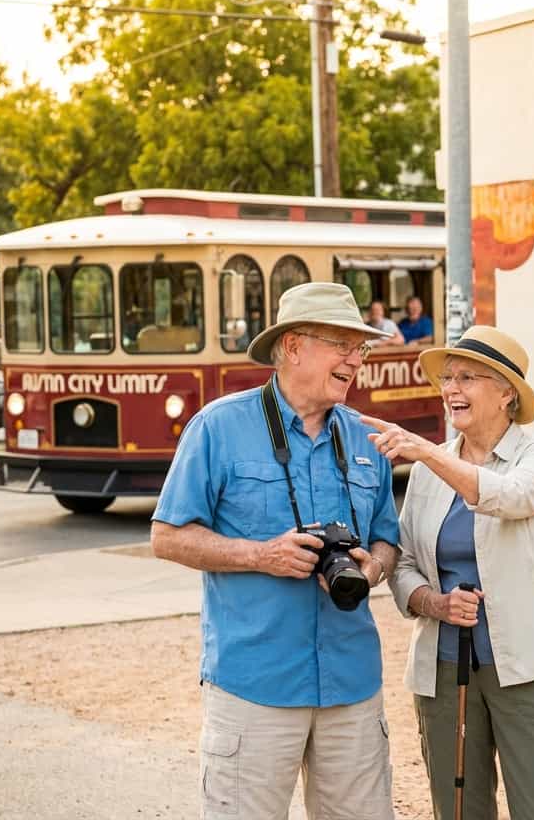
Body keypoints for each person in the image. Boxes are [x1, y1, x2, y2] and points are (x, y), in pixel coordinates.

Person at [150, 282, 401, 820]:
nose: (356, 360)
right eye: (343, 345)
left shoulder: (366, 439)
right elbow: (166, 536)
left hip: (352, 683)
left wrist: (374, 566)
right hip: (253, 685)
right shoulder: (217, 427)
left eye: (361, 349)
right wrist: (261, 556)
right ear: (293, 347)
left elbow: (388, 539)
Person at [366, 325, 534, 820]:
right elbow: (406, 562)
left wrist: (430, 454)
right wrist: (433, 603)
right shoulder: (427, 472)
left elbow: (508, 497)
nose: (451, 389)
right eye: (447, 378)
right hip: (444, 667)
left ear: (507, 392)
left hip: (529, 667)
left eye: (467, 377)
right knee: (458, 810)